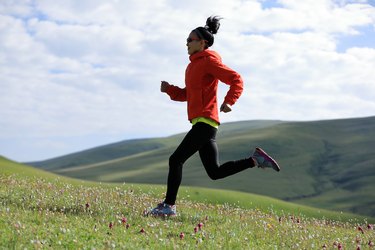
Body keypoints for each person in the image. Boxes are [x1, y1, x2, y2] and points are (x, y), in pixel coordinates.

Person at [151, 16, 280, 217]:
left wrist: (229, 101)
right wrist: (170, 90)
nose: (186, 42)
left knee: (175, 160)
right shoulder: (192, 66)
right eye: (187, 39)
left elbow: (236, 79)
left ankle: (168, 207)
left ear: (202, 43)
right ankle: (255, 160)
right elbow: (188, 94)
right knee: (215, 172)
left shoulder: (209, 61)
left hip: (204, 122)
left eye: (190, 39)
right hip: (204, 124)